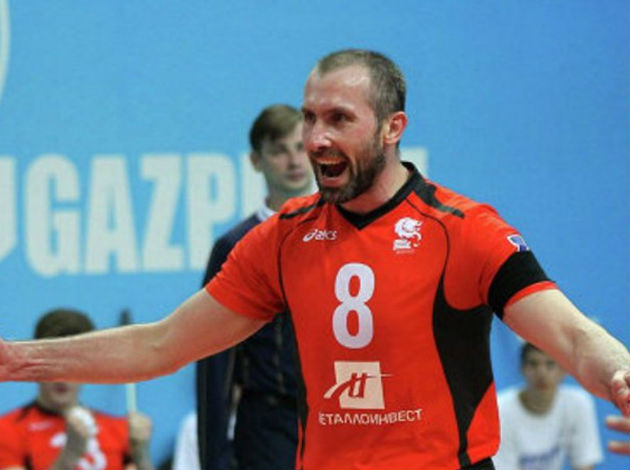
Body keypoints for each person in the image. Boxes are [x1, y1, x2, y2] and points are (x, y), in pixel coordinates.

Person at [0, 49, 629, 470]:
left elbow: (575, 337)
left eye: (339, 119)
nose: (316, 139)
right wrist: (16, 361)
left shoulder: (461, 232)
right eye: (309, 118)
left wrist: (622, 379)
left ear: (392, 128)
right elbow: (161, 345)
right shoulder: (284, 237)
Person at [196, 104, 312, 469]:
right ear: (255, 161)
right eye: (279, 151)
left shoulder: (343, 230)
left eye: (301, 147)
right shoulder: (236, 245)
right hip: (268, 428)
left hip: (338, 421)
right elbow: (214, 360)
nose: (294, 160)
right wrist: (215, 458)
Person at [0, 308, 154, 470]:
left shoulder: (119, 430)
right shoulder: (7, 430)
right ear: (33, 364)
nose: (62, 377)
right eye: (53, 363)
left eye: (72, 366)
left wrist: (142, 457)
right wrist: (69, 455)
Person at [493, 342, 603, 470]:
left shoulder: (579, 403)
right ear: (522, 369)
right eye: (533, 364)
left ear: (564, 370)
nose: (541, 373)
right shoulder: (500, 410)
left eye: (550, 364)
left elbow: (584, 464)